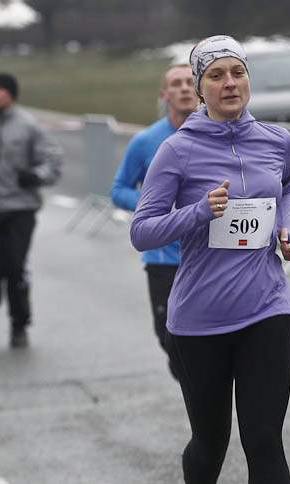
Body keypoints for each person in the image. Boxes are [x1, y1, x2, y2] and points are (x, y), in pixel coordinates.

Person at [130, 35, 290, 484]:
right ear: (199, 88)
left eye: (238, 73)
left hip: (267, 308)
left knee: (264, 442)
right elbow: (142, 232)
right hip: (200, 319)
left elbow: (285, 189)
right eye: (216, 76)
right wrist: (199, 211)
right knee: (210, 445)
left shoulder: (277, 140)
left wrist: (289, 230)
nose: (230, 83)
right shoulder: (177, 150)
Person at [0, 73, 63, 348]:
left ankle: (19, 324)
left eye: (0, 90)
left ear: (12, 95)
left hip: (20, 206)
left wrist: (35, 176)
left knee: (16, 267)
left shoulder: (28, 125)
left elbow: (52, 159)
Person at [111, 64, 198, 379]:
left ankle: (202, 393)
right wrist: (153, 207)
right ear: (165, 94)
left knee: (205, 339)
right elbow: (119, 189)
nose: (184, 88)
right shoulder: (146, 141)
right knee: (169, 337)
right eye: (176, 83)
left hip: (206, 255)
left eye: (190, 82)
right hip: (163, 257)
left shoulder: (215, 136)